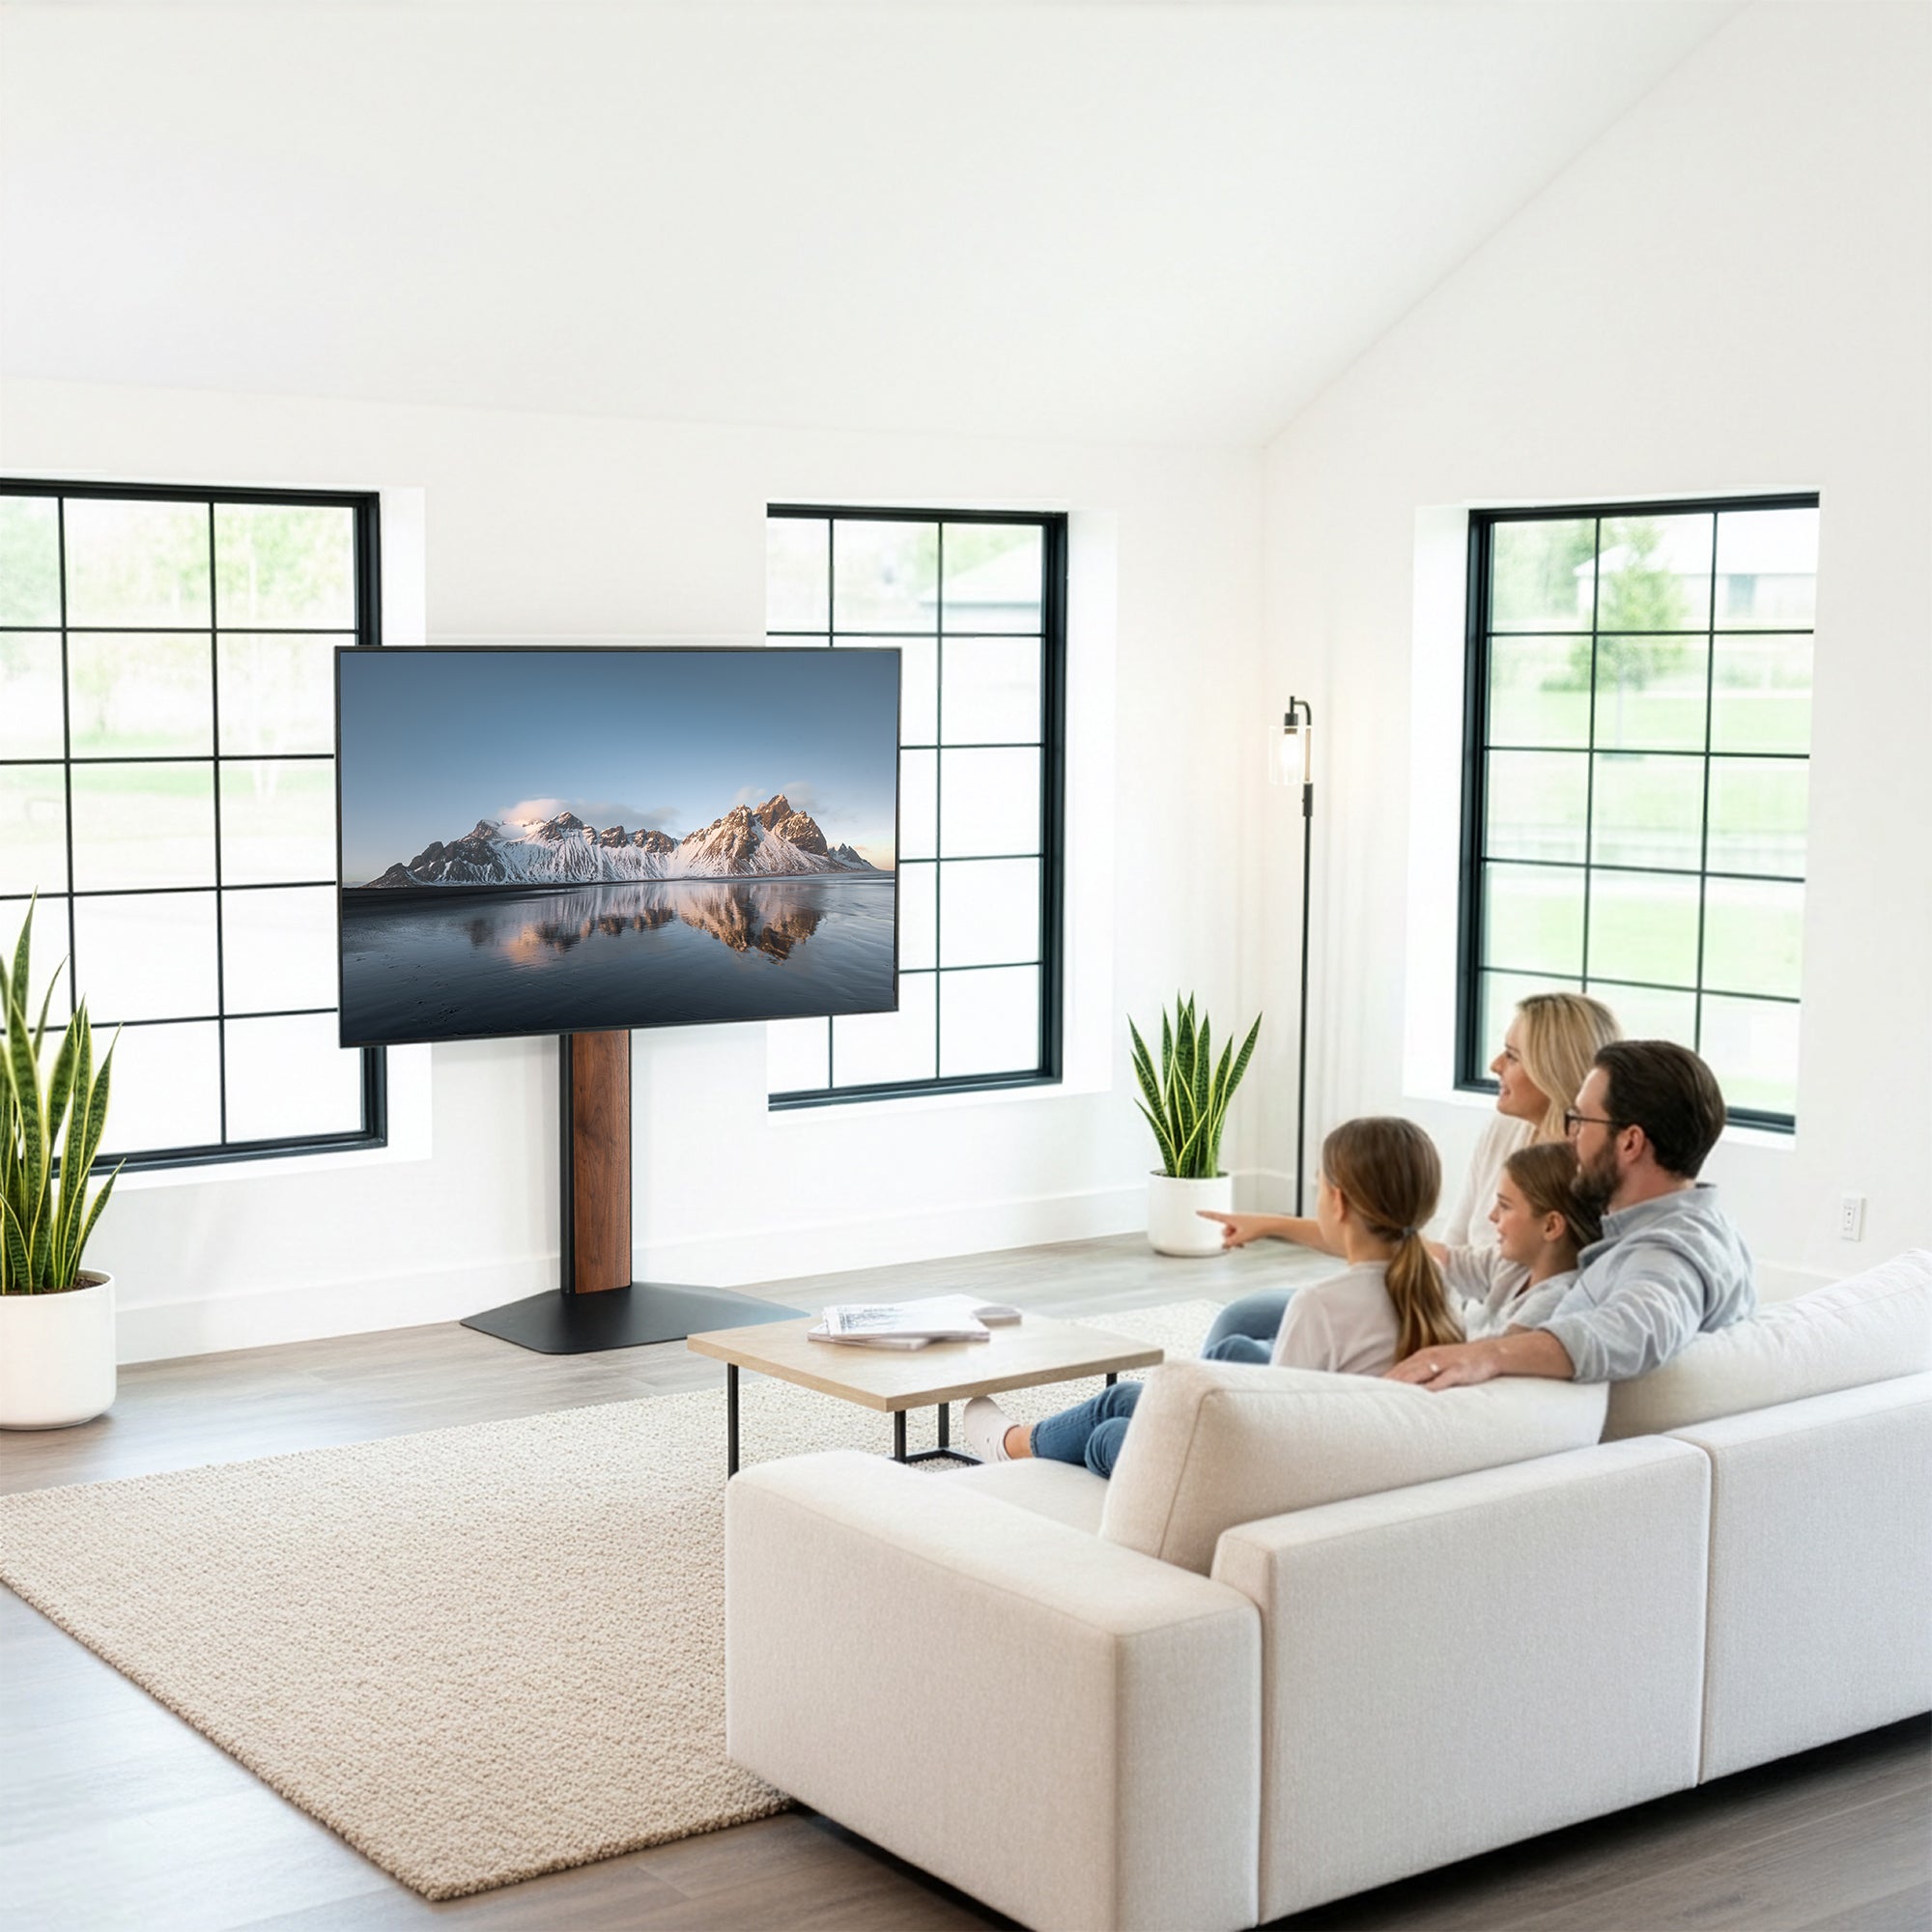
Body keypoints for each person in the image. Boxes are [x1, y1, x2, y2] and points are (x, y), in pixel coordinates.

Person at [962, 1118, 1461, 1475]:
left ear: (1338, 1202)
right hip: (1351, 1450)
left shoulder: (1321, 1306)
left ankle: (1012, 1446)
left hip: (1269, 1472)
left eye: (1317, 1185)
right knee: (1220, 1358)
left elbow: (1277, 1428)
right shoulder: (1438, 1286)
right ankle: (1020, 1441)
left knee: (1106, 1433)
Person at [1198, 991, 1620, 1358]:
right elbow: (1429, 1250)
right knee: (1242, 1317)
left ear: (1553, 1070)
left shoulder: (1582, 1187)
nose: (1493, 1064)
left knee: (1250, 1349)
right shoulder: (1504, 1131)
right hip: (1420, 1297)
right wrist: (1273, 1225)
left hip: (1440, 1328)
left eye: (1511, 1057)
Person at [1386, 1039, 1754, 1389]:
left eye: (1581, 1121)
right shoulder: (1702, 1229)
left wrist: (1486, 1355)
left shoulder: (1665, 1254)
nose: (1570, 1138)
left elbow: (1637, 1330)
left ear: (1630, 1142)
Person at [1438, 1140, 1602, 1340]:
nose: (1492, 1215)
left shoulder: (1554, 1300)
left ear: (1550, 1226)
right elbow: (1444, 1259)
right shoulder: (1514, 1267)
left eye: (1505, 1206)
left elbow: (1495, 1354)